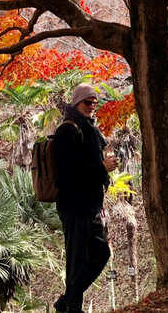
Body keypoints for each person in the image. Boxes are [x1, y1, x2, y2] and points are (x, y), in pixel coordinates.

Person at [52, 82, 118, 313]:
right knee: (76, 260)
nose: (91, 106)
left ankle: (66, 302)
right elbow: (68, 172)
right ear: (76, 102)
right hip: (73, 205)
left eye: (94, 102)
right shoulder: (67, 130)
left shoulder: (90, 130)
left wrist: (102, 167)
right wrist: (101, 167)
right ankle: (72, 307)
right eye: (86, 102)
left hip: (91, 205)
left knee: (101, 253)